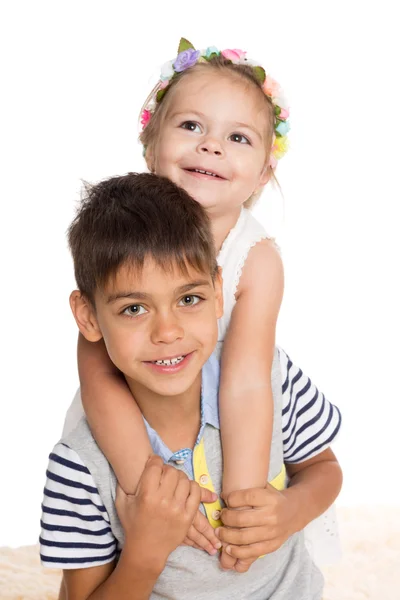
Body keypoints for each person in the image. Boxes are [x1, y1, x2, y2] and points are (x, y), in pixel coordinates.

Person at [62, 39, 338, 570]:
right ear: (150, 146)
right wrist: (148, 481)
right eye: (191, 127)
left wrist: (244, 509)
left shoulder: (255, 259)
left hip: (226, 414)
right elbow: (97, 374)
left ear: (262, 175)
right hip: (134, 415)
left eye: (237, 137)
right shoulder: (120, 238)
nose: (211, 146)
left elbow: (247, 379)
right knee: (113, 533)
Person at [40, 172, 342, 599]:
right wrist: (146, 550)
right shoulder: (80, 466)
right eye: (134, 308)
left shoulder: (275, 379)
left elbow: (323, 470)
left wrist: (291, 511)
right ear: (88, 317)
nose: (168, 331)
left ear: (218, 292)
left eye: (188, 299)